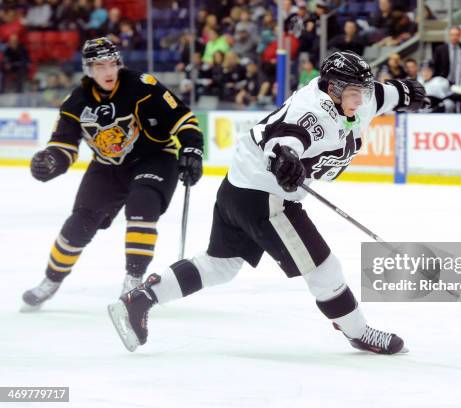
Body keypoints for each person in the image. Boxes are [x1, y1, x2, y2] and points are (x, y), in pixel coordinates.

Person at [108, 50, 427, 355]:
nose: (362, 99)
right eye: (355, 92)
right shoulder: (314, 113)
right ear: (334, 88)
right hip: (265, 197)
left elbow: (382, 95)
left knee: (220, 265)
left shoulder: (357, 99)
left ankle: (141, 298)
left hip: (238, 187)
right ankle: (359, 332)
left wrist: (404, 92)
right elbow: (283, 138)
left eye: (364, 91)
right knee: (324, 270)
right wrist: (284, 158)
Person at [21, 38, 204, 311]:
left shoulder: (143, 86)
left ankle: (133, 281)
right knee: (78, 224)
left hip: (154, 158)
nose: (108, 72)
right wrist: (51, 160)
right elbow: (64, 145)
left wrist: (191, 148)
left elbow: (182, 119)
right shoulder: (75, 102)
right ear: (88, 69)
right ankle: (50, 280)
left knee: (142, 205)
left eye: (112, 64)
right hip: (107, 165)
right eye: (99, 66)